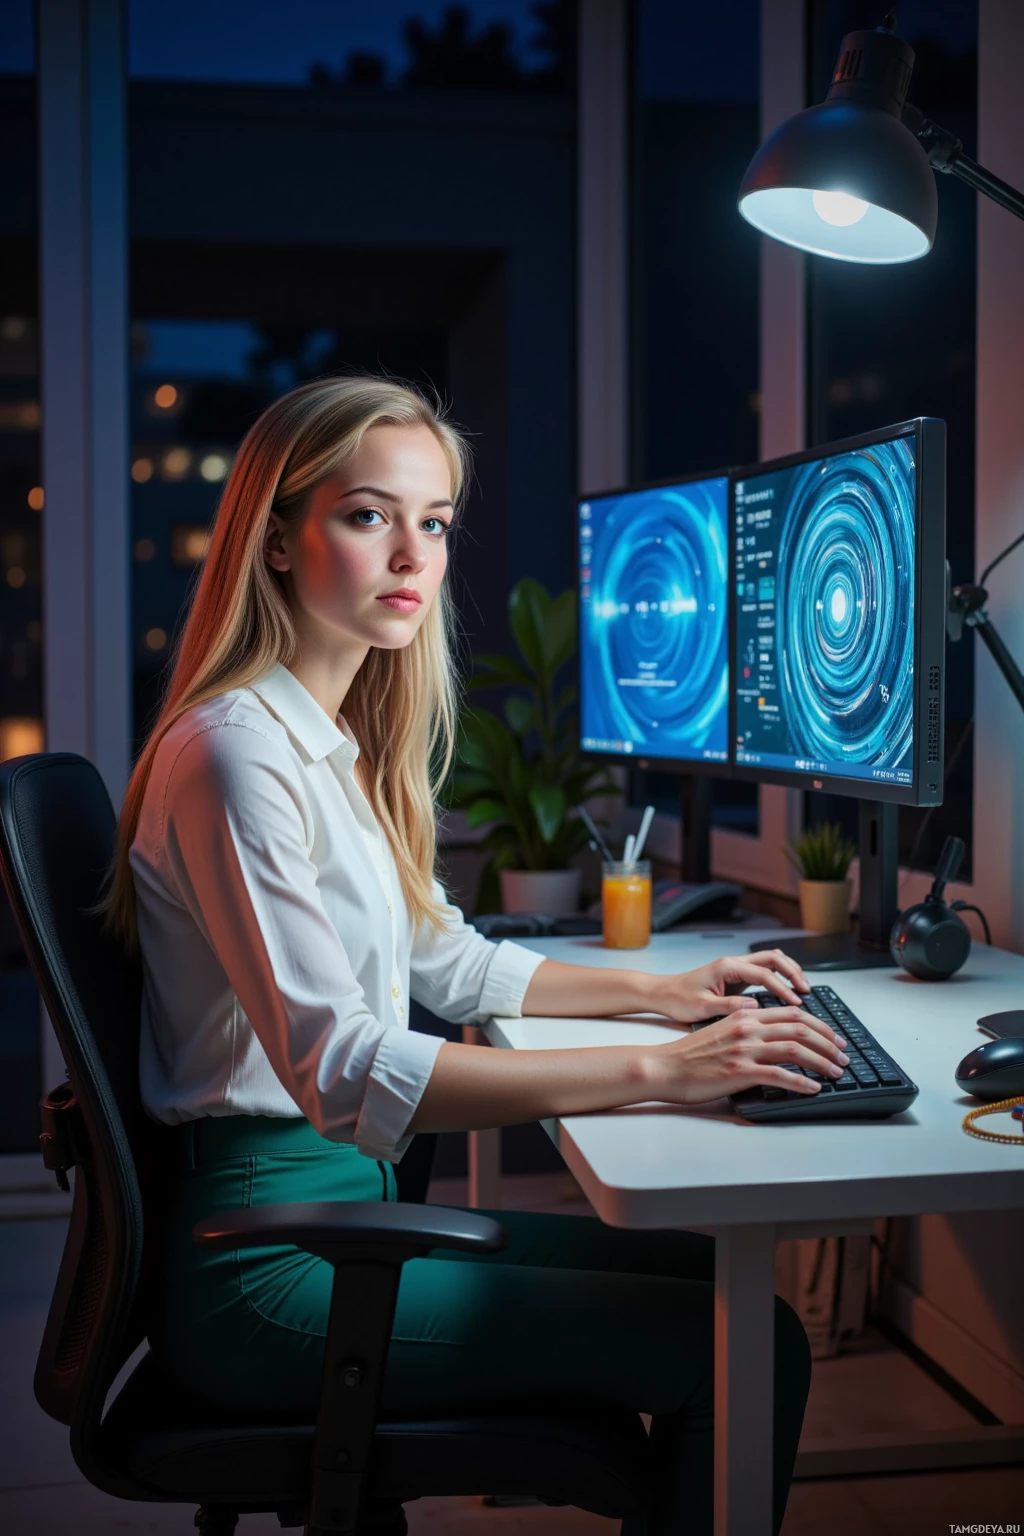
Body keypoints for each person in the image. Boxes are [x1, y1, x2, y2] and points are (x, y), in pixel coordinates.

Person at [100, 376, 849, 1535]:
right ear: (277, 541)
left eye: (435, 521)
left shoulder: (324, 741)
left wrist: (664, 997)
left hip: (332, 1217)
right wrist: (669, 1069)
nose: (412, 552)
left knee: (720, 1287)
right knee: (747, 1345)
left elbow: (445, 963)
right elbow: (343, 1070)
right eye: (366, 514)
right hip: (269, 1265)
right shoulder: (235, 754)